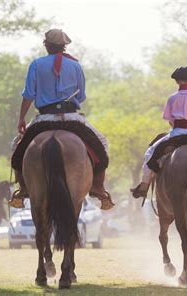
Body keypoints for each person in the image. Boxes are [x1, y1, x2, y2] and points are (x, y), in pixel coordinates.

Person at [9, 29, 113, 210]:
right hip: (72, 117)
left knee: (16, 147)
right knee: (102, 143)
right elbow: (81, 96)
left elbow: (28, 95)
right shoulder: (75, 66)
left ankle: (23, 188)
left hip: (44, 118)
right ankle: (98, 186)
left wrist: (21, 119)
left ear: (46, 45)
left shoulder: (36, 64)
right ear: (64, 46)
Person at [131, 66, 187, 198]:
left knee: (150, 154)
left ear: (178, 81)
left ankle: (144, 185)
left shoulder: (172, 98)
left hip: (177, 135)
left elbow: (170, 121)